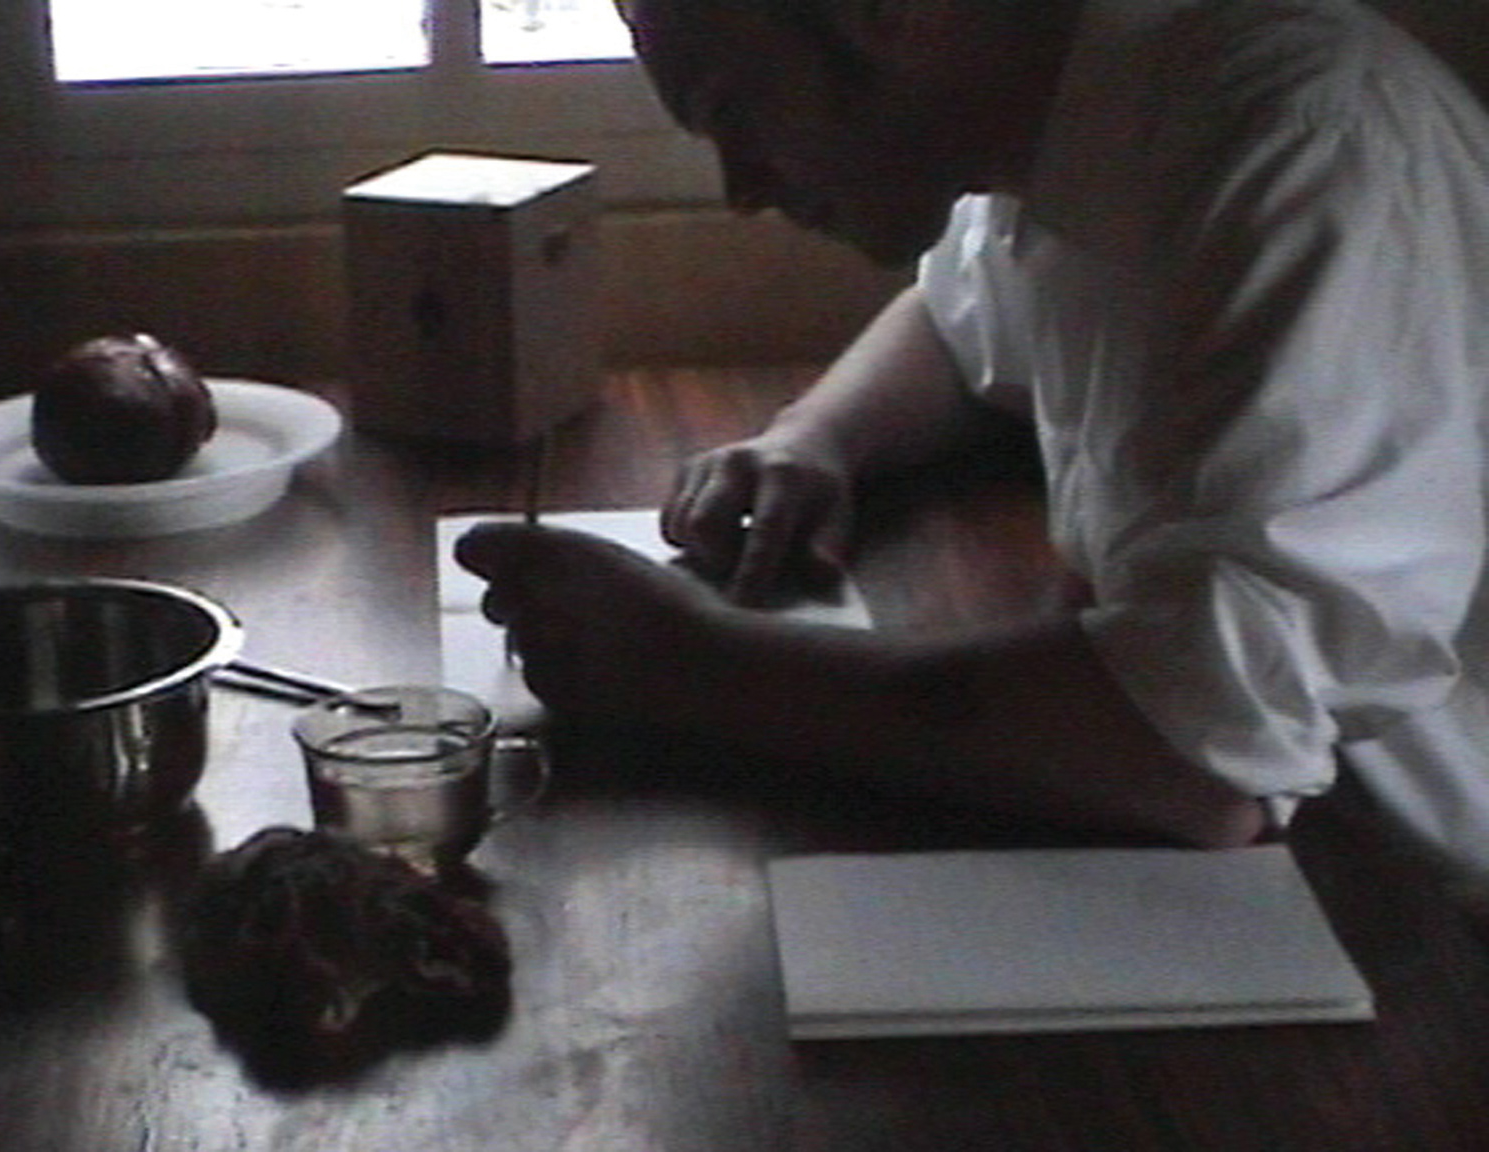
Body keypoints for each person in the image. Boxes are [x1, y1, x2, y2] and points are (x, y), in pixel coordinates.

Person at [453, 0, 1489, 871]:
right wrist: (818, 438)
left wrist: (685, 661)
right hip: (1277, 831)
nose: (743, 191)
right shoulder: (1076, 105)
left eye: (735, 112)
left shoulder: (1300, 148)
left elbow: (1193, 752)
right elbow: (966, 323)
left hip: (1411, 891)